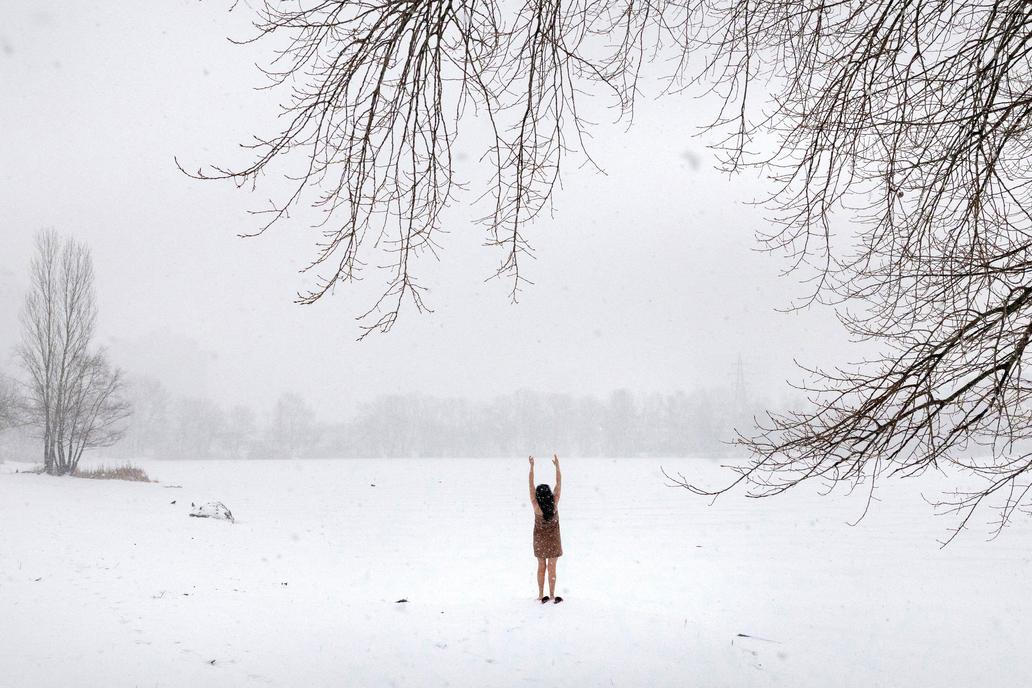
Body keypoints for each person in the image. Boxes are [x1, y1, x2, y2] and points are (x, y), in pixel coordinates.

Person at [529, 454, 563, 604]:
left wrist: (532, 467)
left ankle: (541, 594)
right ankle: (552, 594)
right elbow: (559, 483)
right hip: (554, 540)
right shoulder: (555, 503)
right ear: (549, 494)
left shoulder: (536, 506)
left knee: (541, 566)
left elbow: (530, 485)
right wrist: (557, 467)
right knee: (552, 567)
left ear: (538, 495)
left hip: (539, 541)